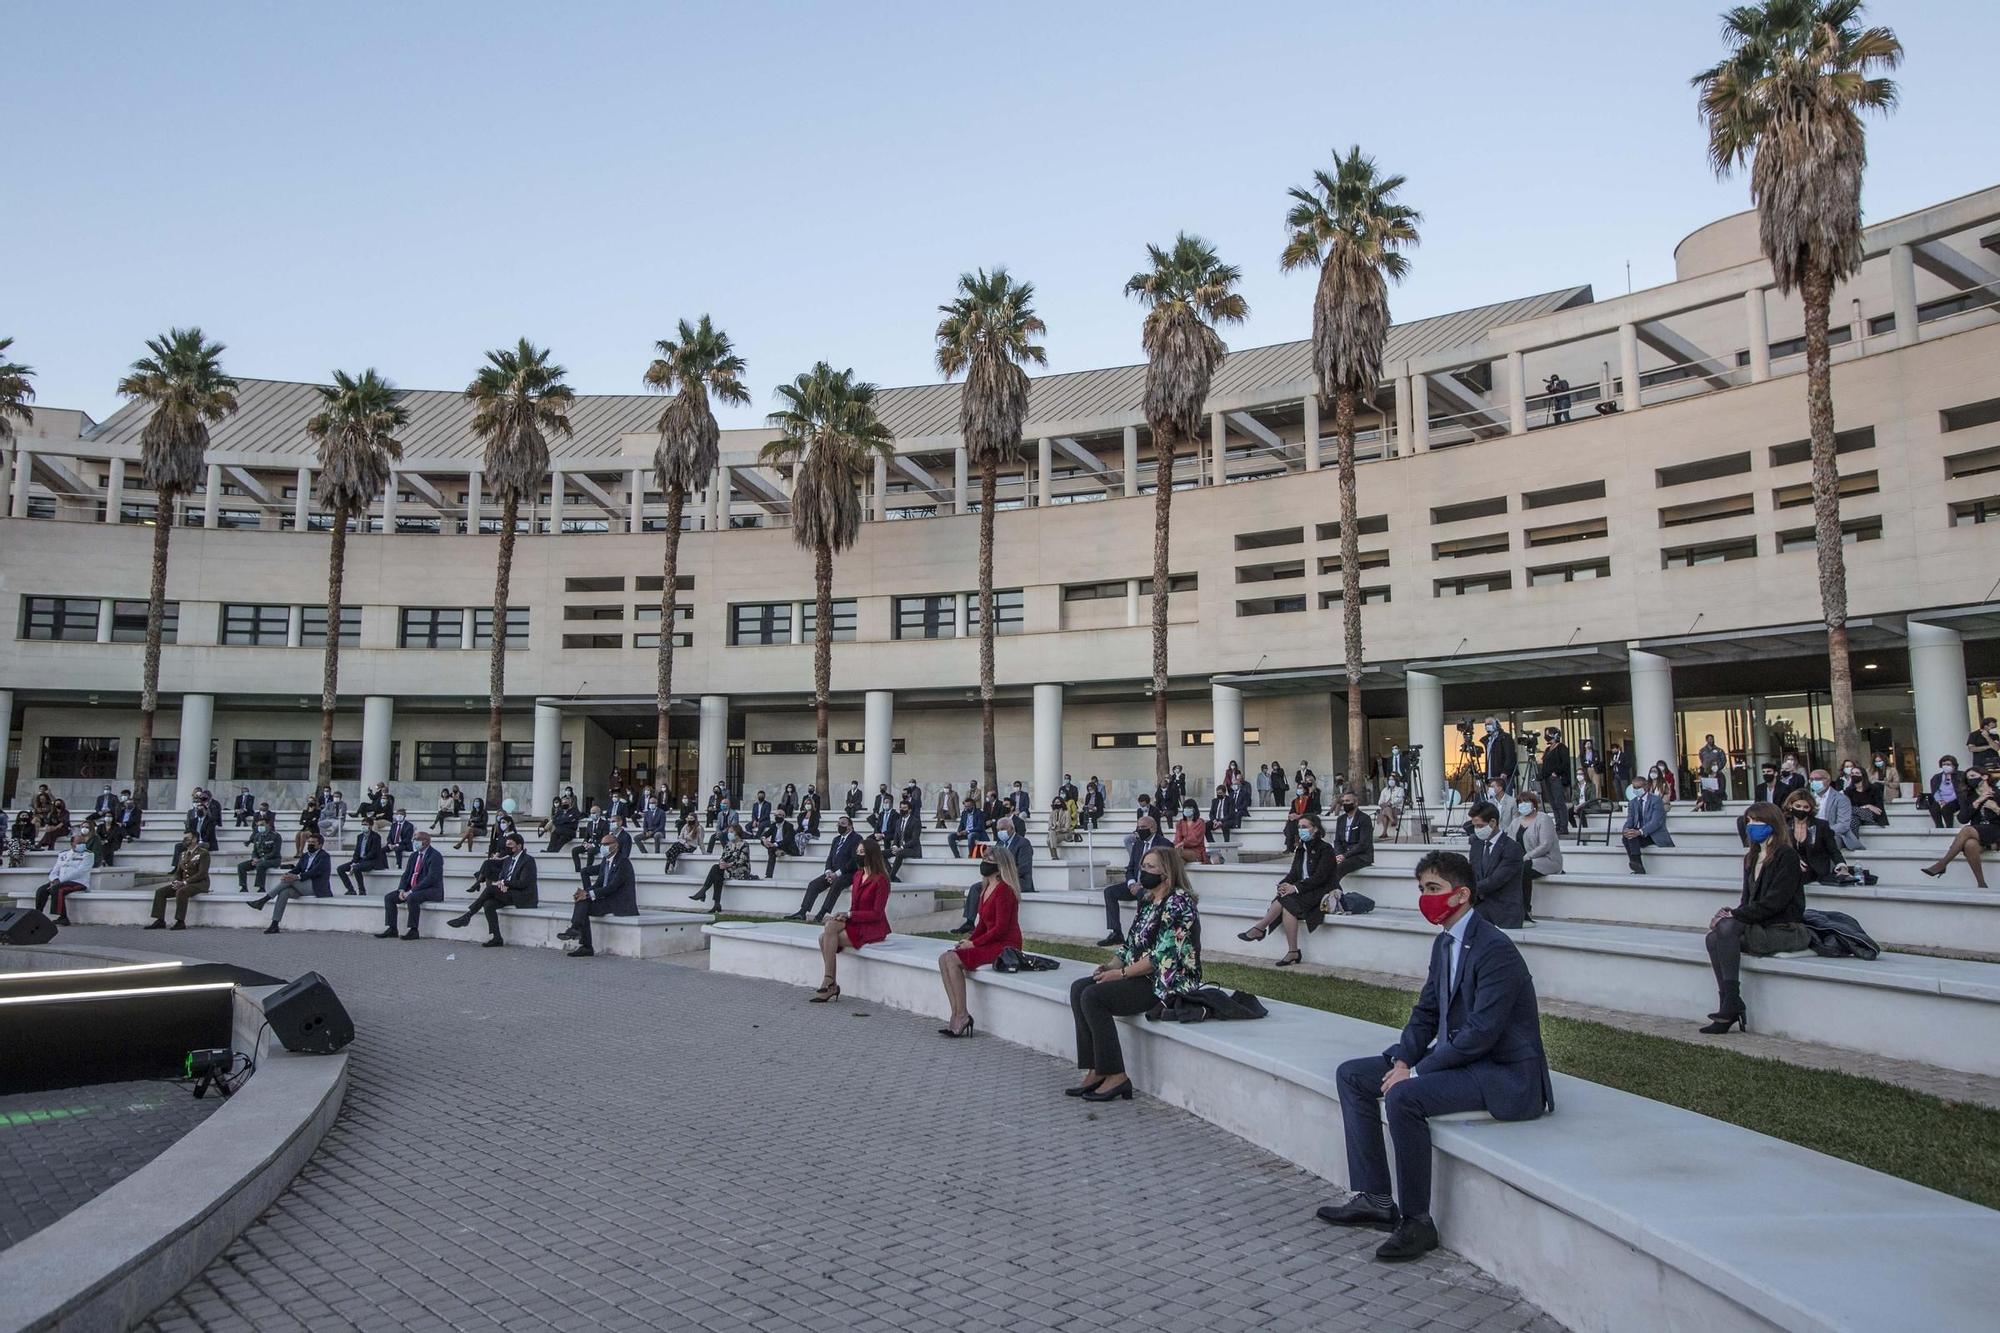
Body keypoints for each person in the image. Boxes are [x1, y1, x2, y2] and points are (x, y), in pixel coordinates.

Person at [1318, 850, 1553, 1262]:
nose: (1424, 898)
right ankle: (1374, 1198)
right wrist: (1405, 1060)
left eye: (1433, 889)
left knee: (1403, 1098)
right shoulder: (1445, 943)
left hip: (1502, 1072)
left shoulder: (1495, 949)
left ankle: (1417, 1222)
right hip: (1460, 1057)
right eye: (1422, 889)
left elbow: (1482, 1034)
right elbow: (1426, 1012)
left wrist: (1417, 1073)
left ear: (1461, 895)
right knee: (1353, 1075)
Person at [1068, 847, 1201, 1102]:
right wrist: (1110, 966)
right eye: (1143, 866)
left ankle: (1117, 1075)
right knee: (1079, 988)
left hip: (1167, 981)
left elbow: (1162, 956)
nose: (1144, 872)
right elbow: (1130, 946)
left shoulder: (1179, 902)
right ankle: (1096, 1069)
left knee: (1094, 997)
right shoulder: (1149, 901)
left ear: (1167, 871)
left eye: (1150, 867)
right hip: (1139, 974)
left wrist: (1121, 975)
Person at [1701, 802, 1810, 1033]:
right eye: (1748, 822)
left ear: (1772, 824)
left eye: (1756, 821)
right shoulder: (1752, 857)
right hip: (1760, 924)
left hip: (1784, 928)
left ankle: (1731, 1004)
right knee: (1714, 938)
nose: (1751, 826)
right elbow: (1747, 901)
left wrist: (1733, 916)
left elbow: (1775, 903)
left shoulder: (1786, 856)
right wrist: (1729, 914)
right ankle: (1729, 1002)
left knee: (1726, 928)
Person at [936, 840, 1024, 1038]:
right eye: (984, 858)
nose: (984, 862)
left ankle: (962, 1015)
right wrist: (968, 940)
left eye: (989, 860)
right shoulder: (985, 889)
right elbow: (982, 924)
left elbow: (1001, 929)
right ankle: (956, 1012)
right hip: (990, 940)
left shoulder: (1004, 890)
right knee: (944, 958)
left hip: (1005, 945)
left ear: (1000, 866)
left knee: (952, 960)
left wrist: (974, 944)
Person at [1237, 813, 1337, 965]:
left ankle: (1261, 928)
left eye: (1304, 827)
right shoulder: (1301, 849)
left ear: (1315, 829)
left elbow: (1320, 878)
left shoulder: (1326, 849)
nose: (1300, 830)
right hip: (1305, 889)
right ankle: (1292, 952)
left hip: (1322, 890)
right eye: (1299, 827)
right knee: (1286, 902)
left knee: (1286, 901)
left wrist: (1295, 888)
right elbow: (1294, 873)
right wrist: (1283, 885)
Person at [809, 836, 893, 1002]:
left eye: (862, 852)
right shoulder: (857, 875)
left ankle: (829, 982)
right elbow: (855, 907)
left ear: (871, 855)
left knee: (824, 937)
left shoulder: (881, 880)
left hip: (873, 927)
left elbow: (877, 913)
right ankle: (830, 982)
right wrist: (844, 915)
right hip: (856, 921)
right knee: (829, 928)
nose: (858, 856)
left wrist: (850, 915)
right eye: (857, 852)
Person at [448, 832, 538, 946]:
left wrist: (505, 883)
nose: (507, 847)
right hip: (508, 892)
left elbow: (524, 883)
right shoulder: (508, 860)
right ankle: (497, 938)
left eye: (510, 845)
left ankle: (468, 915)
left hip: (523, 895)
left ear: (519, 846)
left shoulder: (528, 860)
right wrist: (502, 884)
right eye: (507, 845)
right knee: (488, 904)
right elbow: (502, 876)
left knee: (490, 889)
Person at [561, 830, 635, 958]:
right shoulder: (605, 862)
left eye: (606, 844)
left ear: (615, 845)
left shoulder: (623, 862)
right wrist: (585, 893)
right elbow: (599, 883)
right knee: (582, 902)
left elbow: (613, 887)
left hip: (619, 902)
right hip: (606, 899)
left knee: (584, 902)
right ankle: (580, 937)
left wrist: (589, 895)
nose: (603, 847)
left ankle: (582, 938)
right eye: (601, 844)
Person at [1099, 817, 1171, 946]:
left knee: (1142, 895)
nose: (1139, 830)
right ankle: (1116, 932)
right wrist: (1131, 883)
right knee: (1109, 892)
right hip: (1135, 884)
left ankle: (1141, 934)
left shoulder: (1164, 844)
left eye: (1143, 827)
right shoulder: (1138, 844)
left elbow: (1166, 870)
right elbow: (1130, 868)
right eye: (1138, 827)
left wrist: (1142, 884)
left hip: (1152, 886)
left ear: (1153, 828)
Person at [1922, 774, 2000, 888]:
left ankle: (1942, 864)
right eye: (1969, 778)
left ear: (1984, 777)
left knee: (1967, 830)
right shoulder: (1970, 797)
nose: (1971, 779)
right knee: (1969, 844)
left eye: (1973, 776)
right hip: (1981, 833)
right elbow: (1962, 819)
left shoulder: (1997, 793)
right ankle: (1981, 883)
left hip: (1996, 830)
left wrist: (1996, 809)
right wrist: (1977, 802)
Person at [248, 834, 332, 933]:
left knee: (289, 880)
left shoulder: (324, 856)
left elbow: (316, 871)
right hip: (303, 885)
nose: (310, 844)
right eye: (309, 842)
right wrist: (288, 874)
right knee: (284, 892)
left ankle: (263, 900)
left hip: (316, 887)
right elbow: (297, 869)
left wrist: (296, 877)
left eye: (313, 843)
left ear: (320, 845)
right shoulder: (305, 856)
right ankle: (274, 925)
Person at [1464, 801, 1526, 928]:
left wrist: (1466, 889)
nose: (1477, 830)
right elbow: (1472, 872)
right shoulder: (1476, 844)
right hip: (1480, 907)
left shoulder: (1512, 848)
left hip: (1503, 911)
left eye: (1480, 826)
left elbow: (1496, 880)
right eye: (1475, 826)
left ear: (1492, 822)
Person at [789, 816, 862, 922]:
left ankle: (821, 914)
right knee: (814, 884)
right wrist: (828, 871)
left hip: (848, 873)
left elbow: (854, 860)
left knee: (837, 883)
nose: (839, 826)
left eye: (843, 823)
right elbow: (830, 858)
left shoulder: (856, 838)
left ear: (850, 826)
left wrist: (837, 874)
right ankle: (802, 912)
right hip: (832, 872)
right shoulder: (836, 839)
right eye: (838, 823)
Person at [378, 831, 444, 940]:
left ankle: (413, 930)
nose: (414, 842)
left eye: (417, 840)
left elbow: (432, 878)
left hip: (431, 890)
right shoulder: (414, 855)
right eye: (414, 839)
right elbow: (406, 874)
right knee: (389, 898)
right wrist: (402, 889)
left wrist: (412, 891)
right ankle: (392, 928)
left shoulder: (435, 856)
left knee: (412, 898)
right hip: (411, 889)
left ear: (426, 842)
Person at [145, 833, 211, 931]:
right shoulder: (183, 854)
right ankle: (160, 920)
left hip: (200, 883)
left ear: (194, 839)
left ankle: (180, 921)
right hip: (184, 883)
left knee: (181, 892)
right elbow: (178, 872)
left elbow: (202, 873)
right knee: (160, 892)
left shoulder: (203, 853)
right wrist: (176, 881)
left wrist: (185, 882)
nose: (184, 840)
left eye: (187, 838)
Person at [1515, 792, 1561, 927]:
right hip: (1521, 860)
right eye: (1520, 803)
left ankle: (1525, 910)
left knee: (1523, 870)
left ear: (1533, 804)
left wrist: (1527, 856)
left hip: (1546, 859)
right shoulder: (1516, 821)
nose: (1522, 805)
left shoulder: (1543, 819)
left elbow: (1545, 845)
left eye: (1526, 802)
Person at [689, 822, 754, 909]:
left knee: (716, 871)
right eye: (728, 832)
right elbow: (723, 857)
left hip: (741, 870)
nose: (729, 834)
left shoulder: (744, 844)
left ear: (737, 833)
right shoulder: (728, 844)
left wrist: (728, 865)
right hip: (728, 869)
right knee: (716, 869)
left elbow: (742, 861)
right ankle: (716, 903)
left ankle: (704, 893)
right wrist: (722, 863)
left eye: (731, 832)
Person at [34, 834, 93, 924]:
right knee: (41, 890)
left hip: (78, 882)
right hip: (59, 881)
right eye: (79, 843)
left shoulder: (88, 855)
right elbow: (55, 870)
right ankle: (38, 915)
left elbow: (80, 872)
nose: (82, 844)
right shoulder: (63, 854)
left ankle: (63, 917)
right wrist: (54, 879)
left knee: (58, 889)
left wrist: (59, 881)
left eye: (83, 842)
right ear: (72, 843)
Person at [1620, 774, 1672, 874]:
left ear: (1645, 787)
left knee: (1633, 835)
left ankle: (1635, 863)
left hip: (1653, 834)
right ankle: (1638, 865)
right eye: (1634, 788)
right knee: (1628, 836)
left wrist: (1640, 832)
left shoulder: (1656, 800)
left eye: (1638, 787)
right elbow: (1629, 820)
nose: (1636, 790)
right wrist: (1626, 829)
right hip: (1639, 834)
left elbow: (1656, 822)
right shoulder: (1632, 803)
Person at [1807, 768, 1862, 851]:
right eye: (1811, 779)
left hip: (1832, 833)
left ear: (1828, 781)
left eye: (1818, 779)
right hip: (1810, 833)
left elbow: (1843, 825)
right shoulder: (1807, 798)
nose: (1814, 782)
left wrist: (1822, 832)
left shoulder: (1841, 798)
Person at [338, 819, 389, 896]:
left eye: (366, 824)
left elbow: (373, 852)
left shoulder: (376, 837)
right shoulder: (360, 836)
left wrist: (358, 863)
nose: (363, 826)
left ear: (371, 826)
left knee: (356, 868)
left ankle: (362, 890)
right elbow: (357, 851)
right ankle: (350, 890)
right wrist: (354, 861)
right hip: (360, 860)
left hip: (372, 861)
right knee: (340, 869)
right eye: (362, 824)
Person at [1537, 728, 1572, 833]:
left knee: (1559, 802)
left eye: (1549, 734)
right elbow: (1545, 765)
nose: (1547, 736)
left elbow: (1565, 763)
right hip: (1547, 779)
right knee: (1553, 803)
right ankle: (1558, 825)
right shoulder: (1548, 749)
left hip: (1557, 779)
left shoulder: (1561, 748)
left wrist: (1556, 772)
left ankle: (1563, 826)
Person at [236, 817, 285, 893]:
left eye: (262, 825)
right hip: (259, 859)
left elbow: (275, 852)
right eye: (258, 825)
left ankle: (261, 887)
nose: (260, 827)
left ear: (268, 824)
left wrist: (261, 860)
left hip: (273, 860)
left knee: (261, 865)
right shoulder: (257, 836)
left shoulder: (275, 836)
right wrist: (254, 858)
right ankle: (243, 887)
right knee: (241, 866)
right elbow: (254, 851)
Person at [1926, 757, 1971, 828]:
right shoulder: (1936, 777)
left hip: (1956, 800)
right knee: (1933, 808)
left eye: (1948, 764)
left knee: (1946, 809)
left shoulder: (1961, 775)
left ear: (1954, 765)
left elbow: (1961, 791)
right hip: (1941, 800)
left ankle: (1949, 827)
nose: (1946, 766)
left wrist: (1947, 801)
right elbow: (1935, 791)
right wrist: (1940, 801)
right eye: (1944, 764)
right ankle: (1939, 826)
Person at [1841, 761, 1887, 829]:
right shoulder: (1849, 790)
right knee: (1853, 820)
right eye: (1852, 773)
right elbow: (1849, 808)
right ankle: (1853, 840)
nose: (1854, 775)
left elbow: (1879, 809)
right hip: (1856, 816)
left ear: (1863, 775)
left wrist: (1867, 808)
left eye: (1857, 773)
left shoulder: (1874, 788)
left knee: (1851, 812)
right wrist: (1867, 806)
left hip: (1873, 815)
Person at [889, 800, 925, 881]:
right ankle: (892, 876)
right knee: (881, 854)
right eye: (901, 808)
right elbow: (896, 837)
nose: (902, 810)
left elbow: (914, 840)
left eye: (904, 808)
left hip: (913, 850)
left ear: (909, 810)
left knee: (900, 853)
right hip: (899, 848)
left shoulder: (916, 822)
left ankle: (890, 877)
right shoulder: (898, 821)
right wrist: (894, 846)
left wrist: (901, 848)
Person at [1481, 717, 1517, 793]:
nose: (1487, 726)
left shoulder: (1505, 737)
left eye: (1490, 723)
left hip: (1503, 775)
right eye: (1486, 724)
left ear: (1496, 724)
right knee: (1493, 800)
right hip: (1491, 776)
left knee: (1505, 798)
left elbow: (1510, 756)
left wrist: (1505, 771)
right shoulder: (1488, 740)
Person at [761, 811, 801, 879]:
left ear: (783, 816)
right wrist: (764, 839)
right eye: (775, 815)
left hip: (786, 846)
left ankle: (769, 875)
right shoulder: (773, 825)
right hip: (776, 846)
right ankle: (778, 851)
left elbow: (787, 840)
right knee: (763, 842)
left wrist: (774, 844)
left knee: (771, 851)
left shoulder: (789, 826)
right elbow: (766, 834)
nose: (777, 816)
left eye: (779, 815)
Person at [1175, 797, 1211, 865]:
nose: (1187, 809)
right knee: (1179, 861)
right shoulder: (1180, 823)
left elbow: (1195, 839)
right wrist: (1178, 844)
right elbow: (1177, 839)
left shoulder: (1200, 822)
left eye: (1189, 807)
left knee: (1175, 853)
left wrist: (1182, 843)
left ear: (1194, 809)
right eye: (1185, 808)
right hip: (1182, 851)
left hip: (1196, 852)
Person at [1045, 796, 1072, 862]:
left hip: (1064, 834)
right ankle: (1055, 856)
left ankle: (1054, 855)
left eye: (1058, 802)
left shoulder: (1066, 812)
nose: (1057, 804)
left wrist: (1058, 829)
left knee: (1049, 840)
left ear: (1062, 803)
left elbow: (1067, 828)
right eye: (1055, 802)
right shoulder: (1052, 813)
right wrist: (1053, 827)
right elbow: (1049, 826)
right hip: (1055, 834)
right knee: (1051, 834)